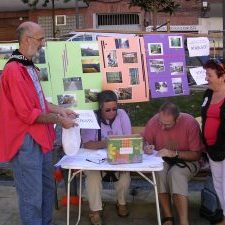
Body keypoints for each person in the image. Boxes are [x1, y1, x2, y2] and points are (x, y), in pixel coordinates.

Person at [0, 21, 77, 225]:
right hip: (26, 141)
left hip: (40, 138)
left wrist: (60, 109)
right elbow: (27, 114)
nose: (43, 44)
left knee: (47, 189)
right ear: (27, 40)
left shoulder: (29, 67)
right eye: (40, 39)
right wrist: (60, 120)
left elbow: (40, 102)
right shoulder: (14, 70)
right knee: (31, 196)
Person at [142, 102, 203, 225]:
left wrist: (174, 153)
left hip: (187, 159)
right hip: (163, 159)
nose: (163, 127)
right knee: (159, 172)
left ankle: (183, 221)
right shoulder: (155, 121)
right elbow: (144, 140)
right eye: (161, 123)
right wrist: (146, 147)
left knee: (175, 174)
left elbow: (196, 154)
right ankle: (168, 217)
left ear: (178, 118)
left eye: (167, 124)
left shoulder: (189, 123)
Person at [81, 90, 131, 225]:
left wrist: (122, 154)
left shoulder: (122, 115)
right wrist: (107, 142)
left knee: (125, 176)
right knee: (92, 178)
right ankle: (95, 210)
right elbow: (87, 144)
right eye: (107, 110)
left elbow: (128, 139)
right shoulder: (93, 118)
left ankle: (121, 203)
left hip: (118, 157)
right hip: (96, 160)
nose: (112, 112)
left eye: (114, 109)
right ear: (100, 108)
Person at [201, 59, 225, 225]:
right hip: (212, 149)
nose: (206, 78)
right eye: (206, 74)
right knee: (218, 185)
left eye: (209, 75)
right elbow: (205, 116)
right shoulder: (208, 93)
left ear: (222, 77)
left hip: (224, 149)